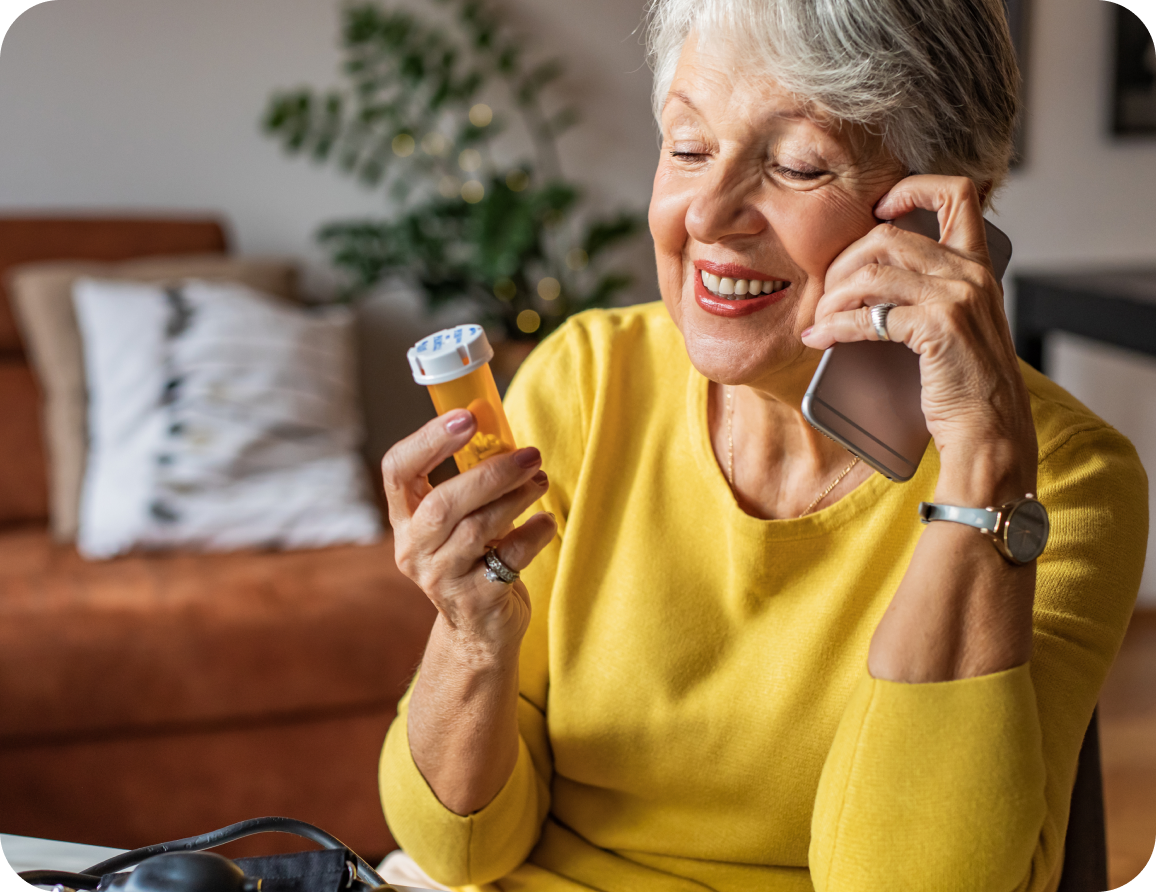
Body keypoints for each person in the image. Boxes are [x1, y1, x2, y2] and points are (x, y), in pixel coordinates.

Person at [377, 1, 1149, 889]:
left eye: (795, 163)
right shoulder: (588, 380)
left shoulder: (1065, 481)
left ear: (933, 220)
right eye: (690, 147)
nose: (708, 214)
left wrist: (982, 469)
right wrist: (471, 640)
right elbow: (457, 849)